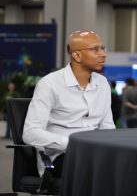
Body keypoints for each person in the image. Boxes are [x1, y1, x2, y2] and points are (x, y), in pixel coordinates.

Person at [23, 30, 115, 178]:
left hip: (95, 153)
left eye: (103, 48)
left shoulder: (102, 83)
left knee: (128, 167)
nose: (103, 54)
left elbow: (107, 126)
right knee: (94, 172)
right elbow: (30, 133)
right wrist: (74, 144)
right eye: (95, 49)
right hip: (61, 156)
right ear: (76, 55)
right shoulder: (50, 84)